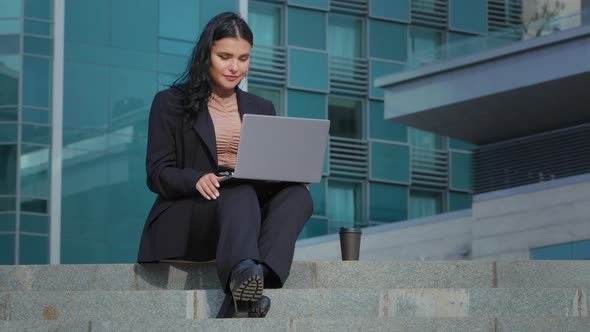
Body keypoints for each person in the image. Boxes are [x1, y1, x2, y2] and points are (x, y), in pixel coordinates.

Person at [136, 12, 313, 318]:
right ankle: (246, 276)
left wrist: (286, 176)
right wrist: (196, 179)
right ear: (206, 54)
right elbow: (157, 173)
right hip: (193, 215)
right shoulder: (169, 103)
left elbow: (265, 168)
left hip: (245, 219)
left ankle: (249, 280)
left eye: (243, 59)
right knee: (238, 189)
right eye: (225, 57)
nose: (235, 67)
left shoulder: (261, 107)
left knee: (298, 195)